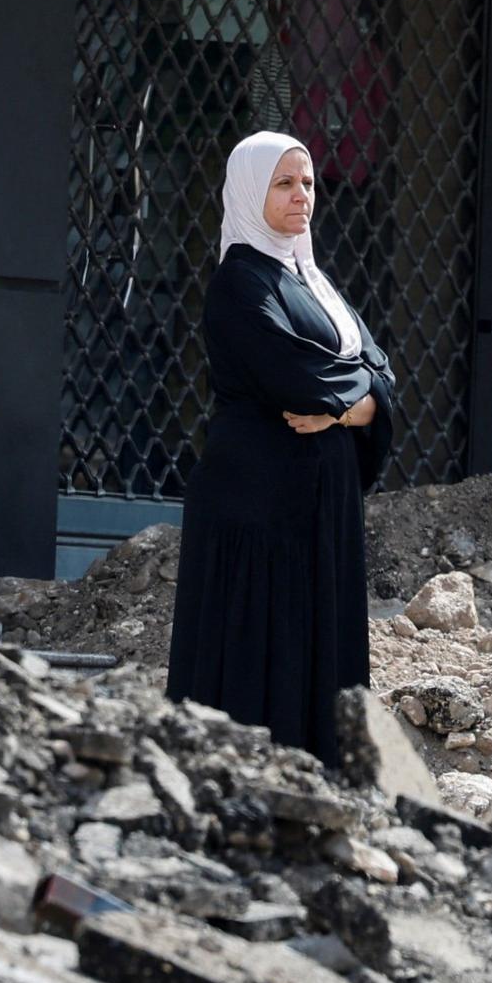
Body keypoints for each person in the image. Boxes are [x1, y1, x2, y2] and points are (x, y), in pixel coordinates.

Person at [165, 130, 396, 758]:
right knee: (257, 658)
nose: (302, 197)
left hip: (321, 507)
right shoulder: (240, 282)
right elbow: (297, 378)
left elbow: (383, 376)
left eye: (309, 183)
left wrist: (346, 412)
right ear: (248, 191)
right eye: (284, 183)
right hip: (259, 509)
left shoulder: (314, 282)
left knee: (316, 657)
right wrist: (358, 397)